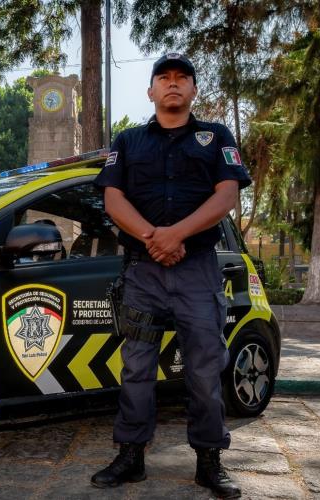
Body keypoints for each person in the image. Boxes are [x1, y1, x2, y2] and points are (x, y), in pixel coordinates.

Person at [91, 53, 251, 499]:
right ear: (151, 91)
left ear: (194, 90)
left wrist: (176, 235)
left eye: (183, 78)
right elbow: (113, 199)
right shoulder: (128, 140)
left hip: (197, 270)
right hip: (143, 273)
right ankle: (131, 456)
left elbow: (228, 195)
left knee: (203, 369)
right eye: (164, 78)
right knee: (136, 368)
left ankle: (209, 461)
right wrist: (153, 238)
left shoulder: (215, 136)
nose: (173, 84)